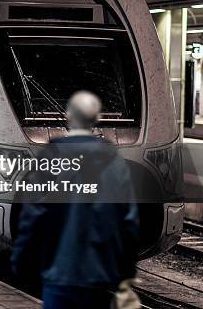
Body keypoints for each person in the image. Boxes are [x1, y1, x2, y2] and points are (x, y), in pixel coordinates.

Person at [11, 91, 140, 309]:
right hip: (99, 276)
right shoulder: (114, 161)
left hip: (59, 272)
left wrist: (21, 260)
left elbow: (32, 214)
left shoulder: (52, 156)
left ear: (69, 116)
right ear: (97, 119)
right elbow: (128, 220)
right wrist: (126, 271)